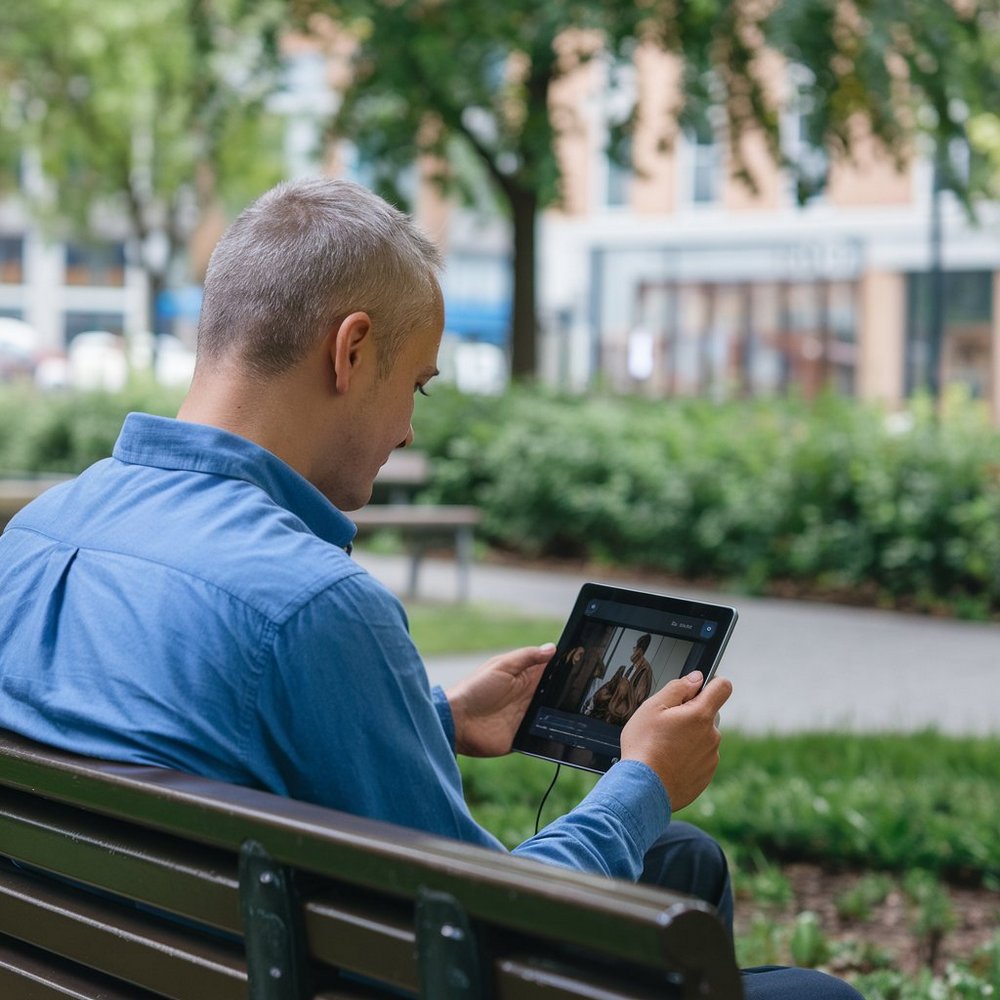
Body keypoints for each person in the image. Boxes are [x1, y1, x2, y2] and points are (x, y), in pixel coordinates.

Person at [0, 178, 860, 1000]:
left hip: (114, 962)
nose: (409, 429)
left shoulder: (36, 535)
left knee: (680, 862)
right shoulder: (312, 604)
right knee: (815, 991)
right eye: (415, 383)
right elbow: (484, 930)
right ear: (351, 349)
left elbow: (199, 735)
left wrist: (437, 718)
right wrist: (643, 776)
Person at [587, 633, 654, 726]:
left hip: (617, 718)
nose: (633, 649)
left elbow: (637, 700)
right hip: (606, 714)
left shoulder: (644, 671)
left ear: (639, 650)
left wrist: (623, 690)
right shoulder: (624, 668)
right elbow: (609, 687)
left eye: (635, 647)